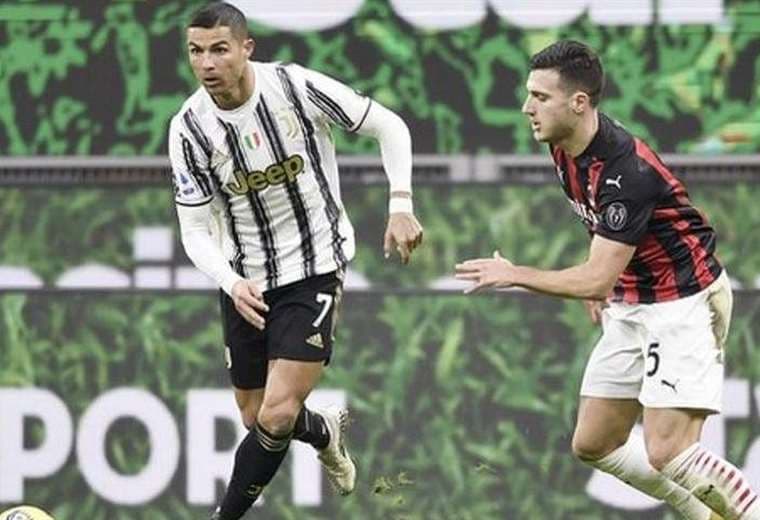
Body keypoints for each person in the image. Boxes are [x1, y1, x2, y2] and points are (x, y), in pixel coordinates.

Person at [456, 40, 758, 520]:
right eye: (529, 94)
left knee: (668, 452)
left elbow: (596, 279)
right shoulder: (564, 146)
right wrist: (599, 271)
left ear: (579, 103)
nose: (527, 107)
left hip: (682, 302)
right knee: (594, 442)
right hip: (632, 298)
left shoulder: (627, 172)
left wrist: (518, 274)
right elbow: (601, 240)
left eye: (540, 97)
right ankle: (706, 514)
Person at [167, 3, 423, 519]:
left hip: (314, 267)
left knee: (278, 413)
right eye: (196, 52)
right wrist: (231, 281)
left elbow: (389, 126)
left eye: (219, 50)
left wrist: (401, 204)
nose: (207, 64)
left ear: (246, 48)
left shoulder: (294, 87)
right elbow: (194, 231)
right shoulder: (189, 128)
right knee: (255, 416)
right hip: (246, 281)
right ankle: (323, 430)